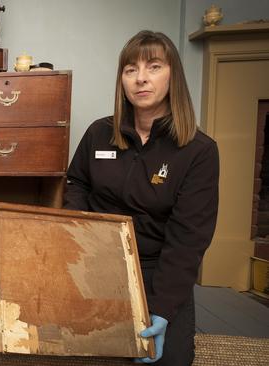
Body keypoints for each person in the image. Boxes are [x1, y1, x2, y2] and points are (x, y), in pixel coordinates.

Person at [64, 30, 219, 365]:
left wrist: (163, 308)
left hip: (156, 271)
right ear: (122, 80)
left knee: (168, 358)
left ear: (173, 76)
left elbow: (188, 240)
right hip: (96, 261)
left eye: (154, 66)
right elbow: (76, 182)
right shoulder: (98, 133)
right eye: (130, 69)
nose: (141, 79)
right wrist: (79, 230)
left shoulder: (199, 151)